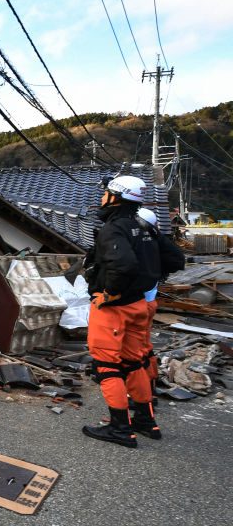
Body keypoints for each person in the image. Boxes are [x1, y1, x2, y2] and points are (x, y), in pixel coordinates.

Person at [82, 175, 161, 448]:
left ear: (116, 196)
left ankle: (119, 428)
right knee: (134, 361)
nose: (102, 197)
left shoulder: (114, 229)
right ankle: (145, 419)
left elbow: (123, 264)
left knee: (106, 364)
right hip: (139, 304)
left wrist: (110, 293)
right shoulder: (141, 227)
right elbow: (168, 259)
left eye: (105, 193)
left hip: (115, 308)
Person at [135, 207, 186, 419]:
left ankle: (141, 398)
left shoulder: (142, 245)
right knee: (145, 348)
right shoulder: (159, 243)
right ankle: (150, 388)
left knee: (132, 353)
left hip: (136, 304)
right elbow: (177, 261)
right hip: (149, 302)